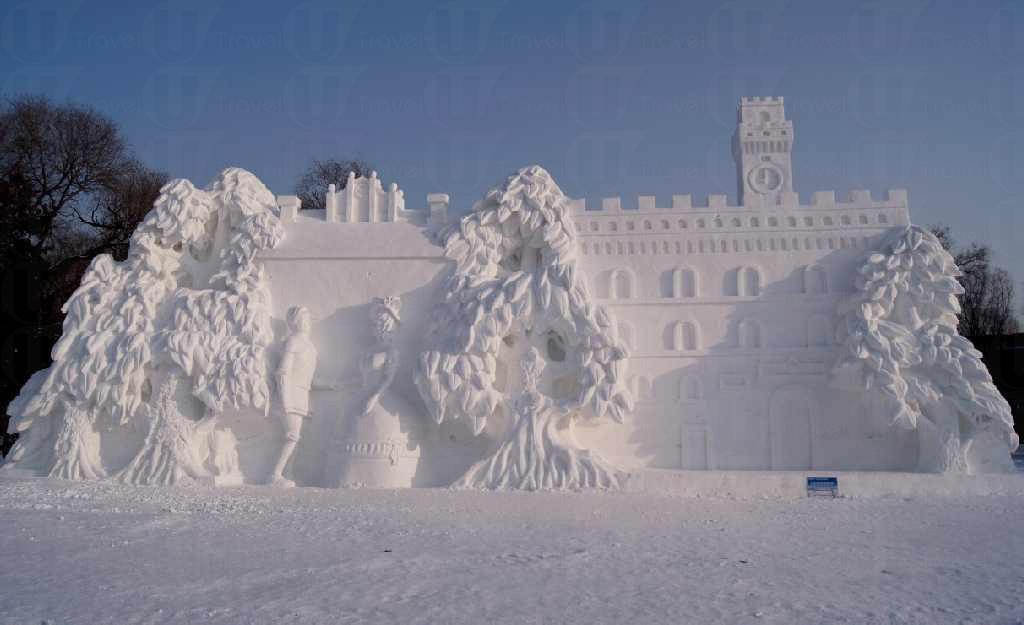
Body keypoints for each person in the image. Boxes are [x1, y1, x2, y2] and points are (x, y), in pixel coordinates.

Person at [267, 306, 323, 487]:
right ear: (293, 322)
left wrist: (333, 385)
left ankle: (287, 473)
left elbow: (309, 377)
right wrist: (285, 400)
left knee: (296, 437)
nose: (306, 322)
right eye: (301, 318)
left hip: (301, 395)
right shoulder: (293, 341)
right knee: (292, 436)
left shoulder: (310, 347)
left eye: (307, 318)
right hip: (290, 394)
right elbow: (282, 372)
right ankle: (274, 475)